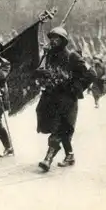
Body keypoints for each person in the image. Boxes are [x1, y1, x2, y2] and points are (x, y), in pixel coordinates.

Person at [34, 27, 95, 172]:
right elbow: (43, 72)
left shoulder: (72, 56)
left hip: (67, 99)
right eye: (52, 38)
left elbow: (91, 73)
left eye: (57, 38)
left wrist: (76, 87)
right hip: (51, 98)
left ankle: (48, 159)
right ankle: (70, 155)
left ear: (63, 41)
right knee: (62, 129)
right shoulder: (49, 56)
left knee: (60, 128)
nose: (53, 40)